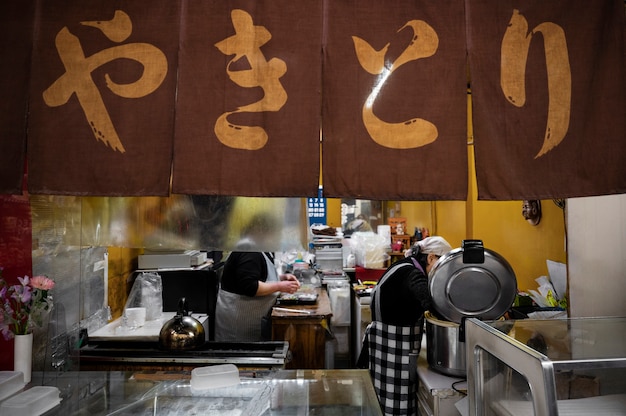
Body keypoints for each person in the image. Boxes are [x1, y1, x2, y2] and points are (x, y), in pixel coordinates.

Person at [358, 236, 453, 416]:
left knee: (382, 401)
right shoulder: (413, 274)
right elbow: (430, 302)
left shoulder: (403, 265)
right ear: (431, 258)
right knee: (396, 406)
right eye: (443, 265)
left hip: (384, 347)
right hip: (395, 352)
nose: (444, 272)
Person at [214, 213, 301, 342]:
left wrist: (281, 278)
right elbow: (250, 287)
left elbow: (259, 275)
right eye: (272, 232)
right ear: (259, 230)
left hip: (249, 321)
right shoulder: (249, 249)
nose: (274, 236)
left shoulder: (259, 247)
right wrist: (280, 286)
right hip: (238, 326)